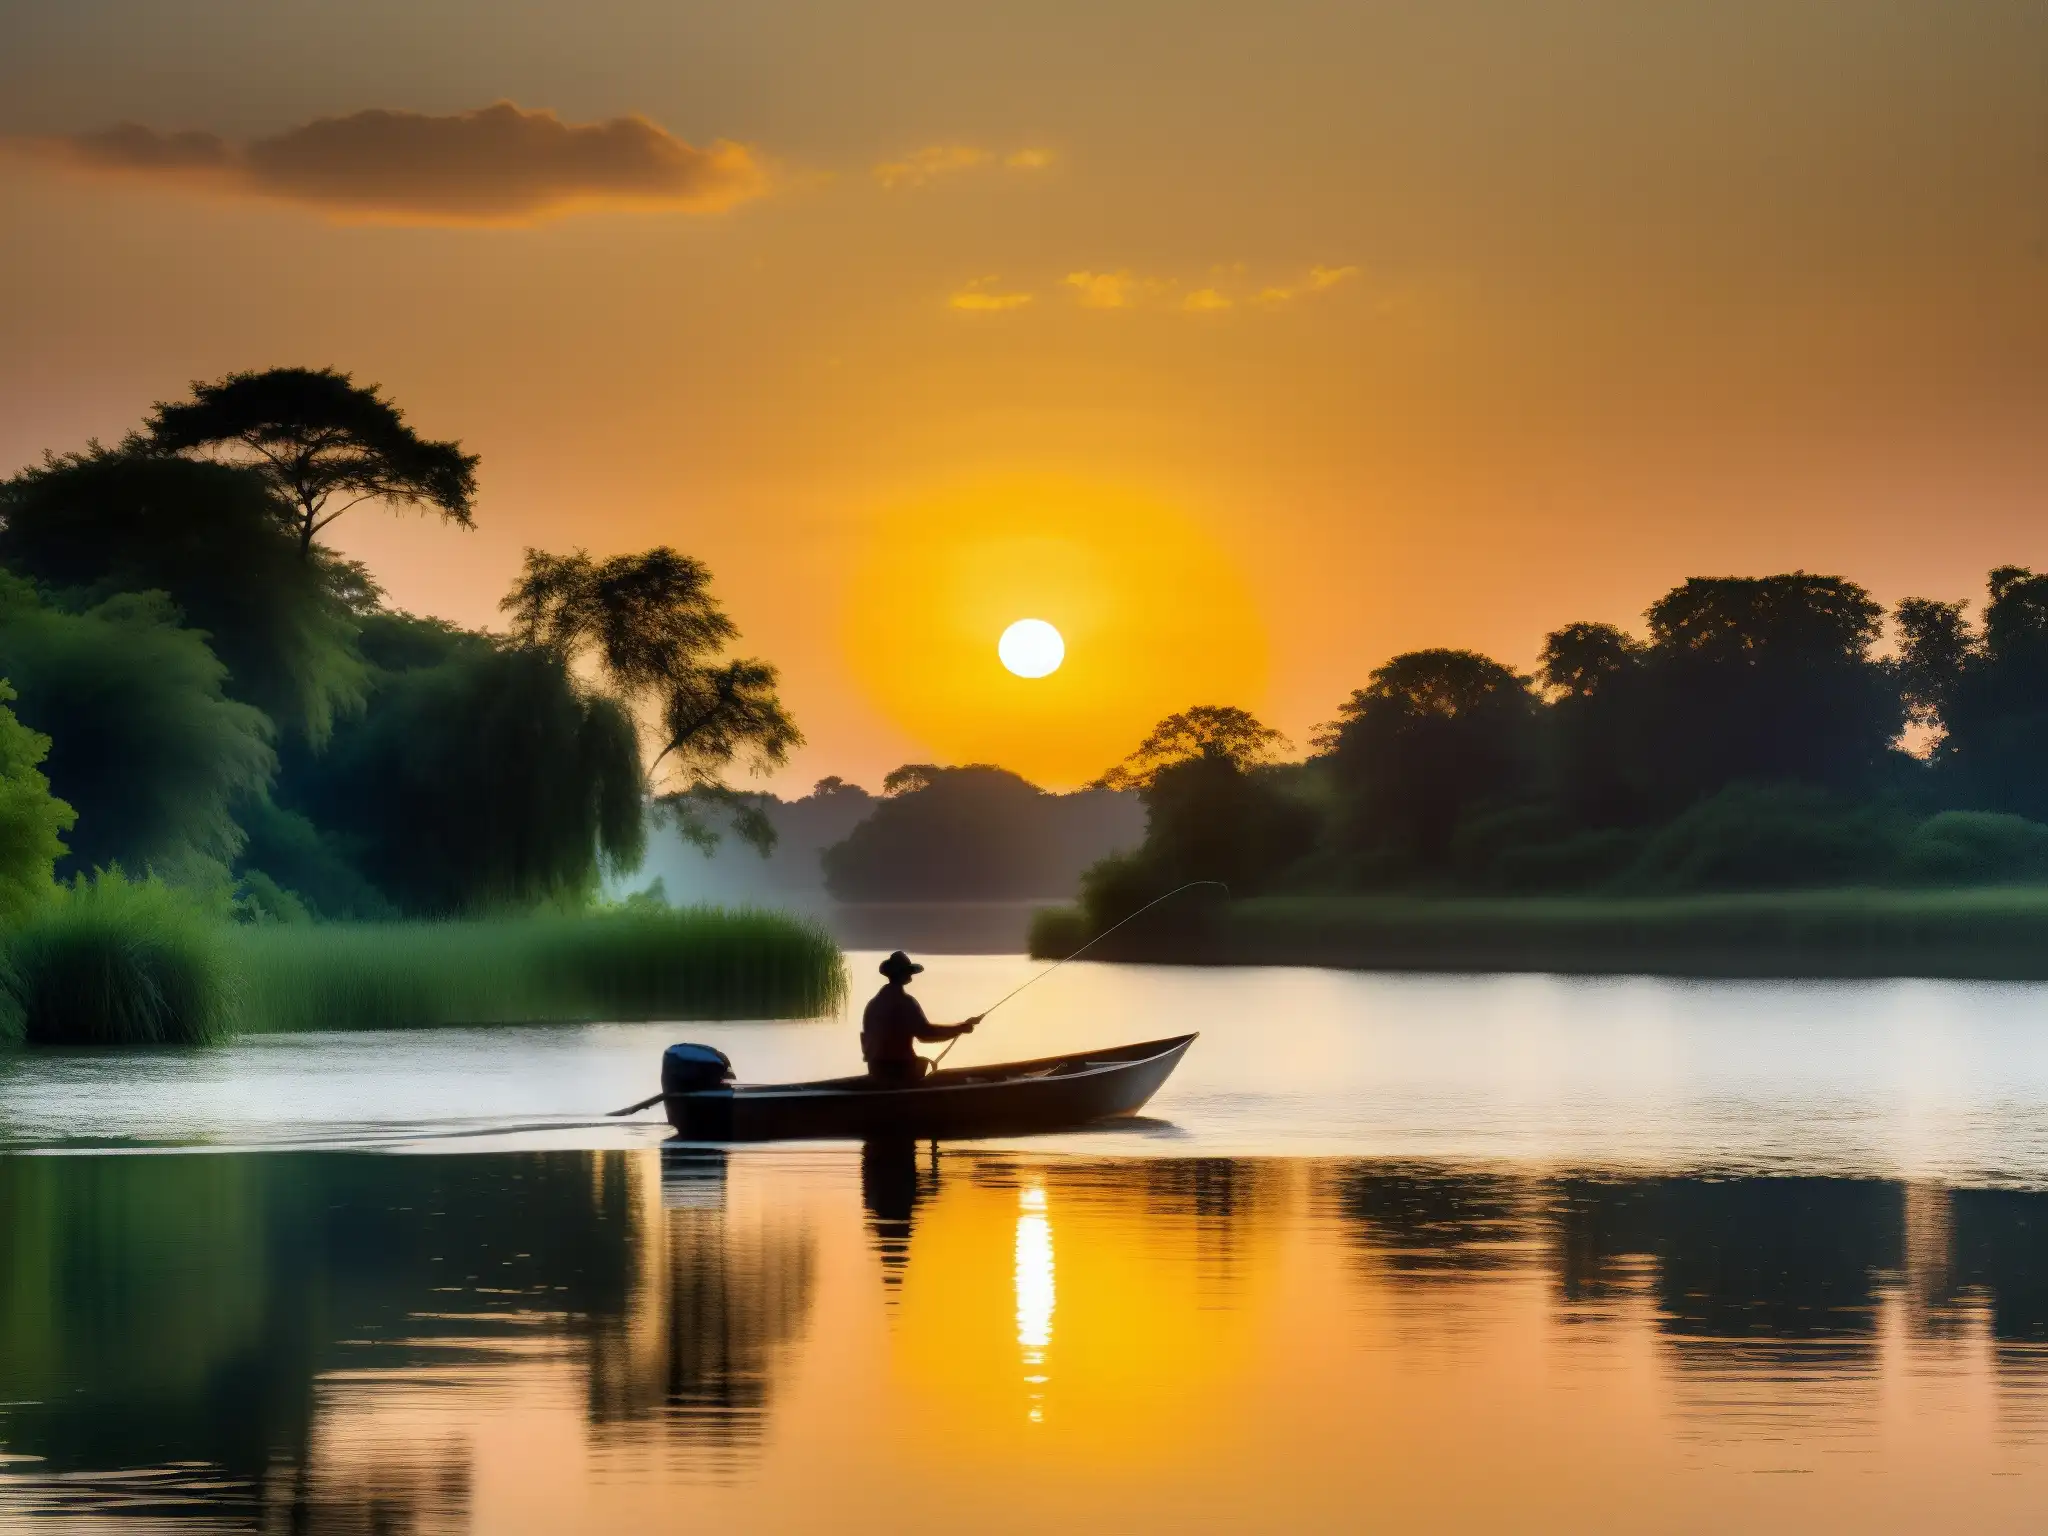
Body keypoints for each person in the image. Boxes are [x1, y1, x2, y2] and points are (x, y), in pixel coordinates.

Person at [862, 951, 979, 1084]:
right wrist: (961, 1028)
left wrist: (960, 1027)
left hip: (877, 1071)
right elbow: (926, 1034)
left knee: (924, 1064)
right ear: (903, 974)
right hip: (900, 1072)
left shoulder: (873, 1004)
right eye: (908, 971)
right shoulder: (905, 1002)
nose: (910, 974)